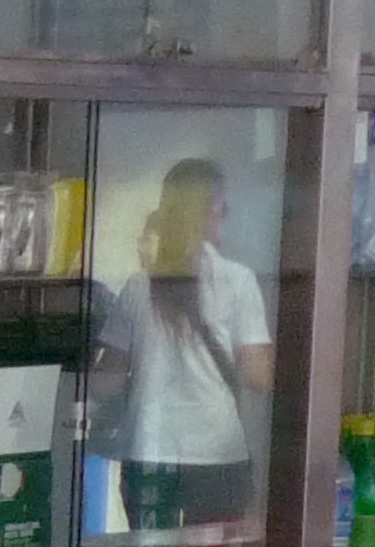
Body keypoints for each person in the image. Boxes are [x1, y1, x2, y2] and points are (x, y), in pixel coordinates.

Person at [94, 156, 277, 526]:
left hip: (150, 453)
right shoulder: (237, 282)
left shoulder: (137, 287)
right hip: (218, 457)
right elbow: (257, 376)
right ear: (212, 212)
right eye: (223, 209)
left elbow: (105, 382)